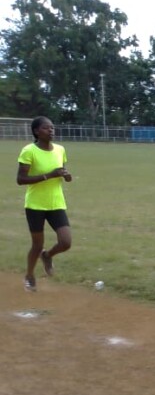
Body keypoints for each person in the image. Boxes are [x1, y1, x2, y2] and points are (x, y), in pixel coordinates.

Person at [16, 116, 73, 291]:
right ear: (36, 131)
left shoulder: (60, 150)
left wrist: (66, 176)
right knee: (37, 245)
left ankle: (47, 256)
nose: (51, 130)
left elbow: (61, 171)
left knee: (66, 242)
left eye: (52, 128)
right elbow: (21, 179)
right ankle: (29, 276)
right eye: (46, 128)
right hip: (35, 205)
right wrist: (49, 175)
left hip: (56, 203)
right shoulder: (29, 151)